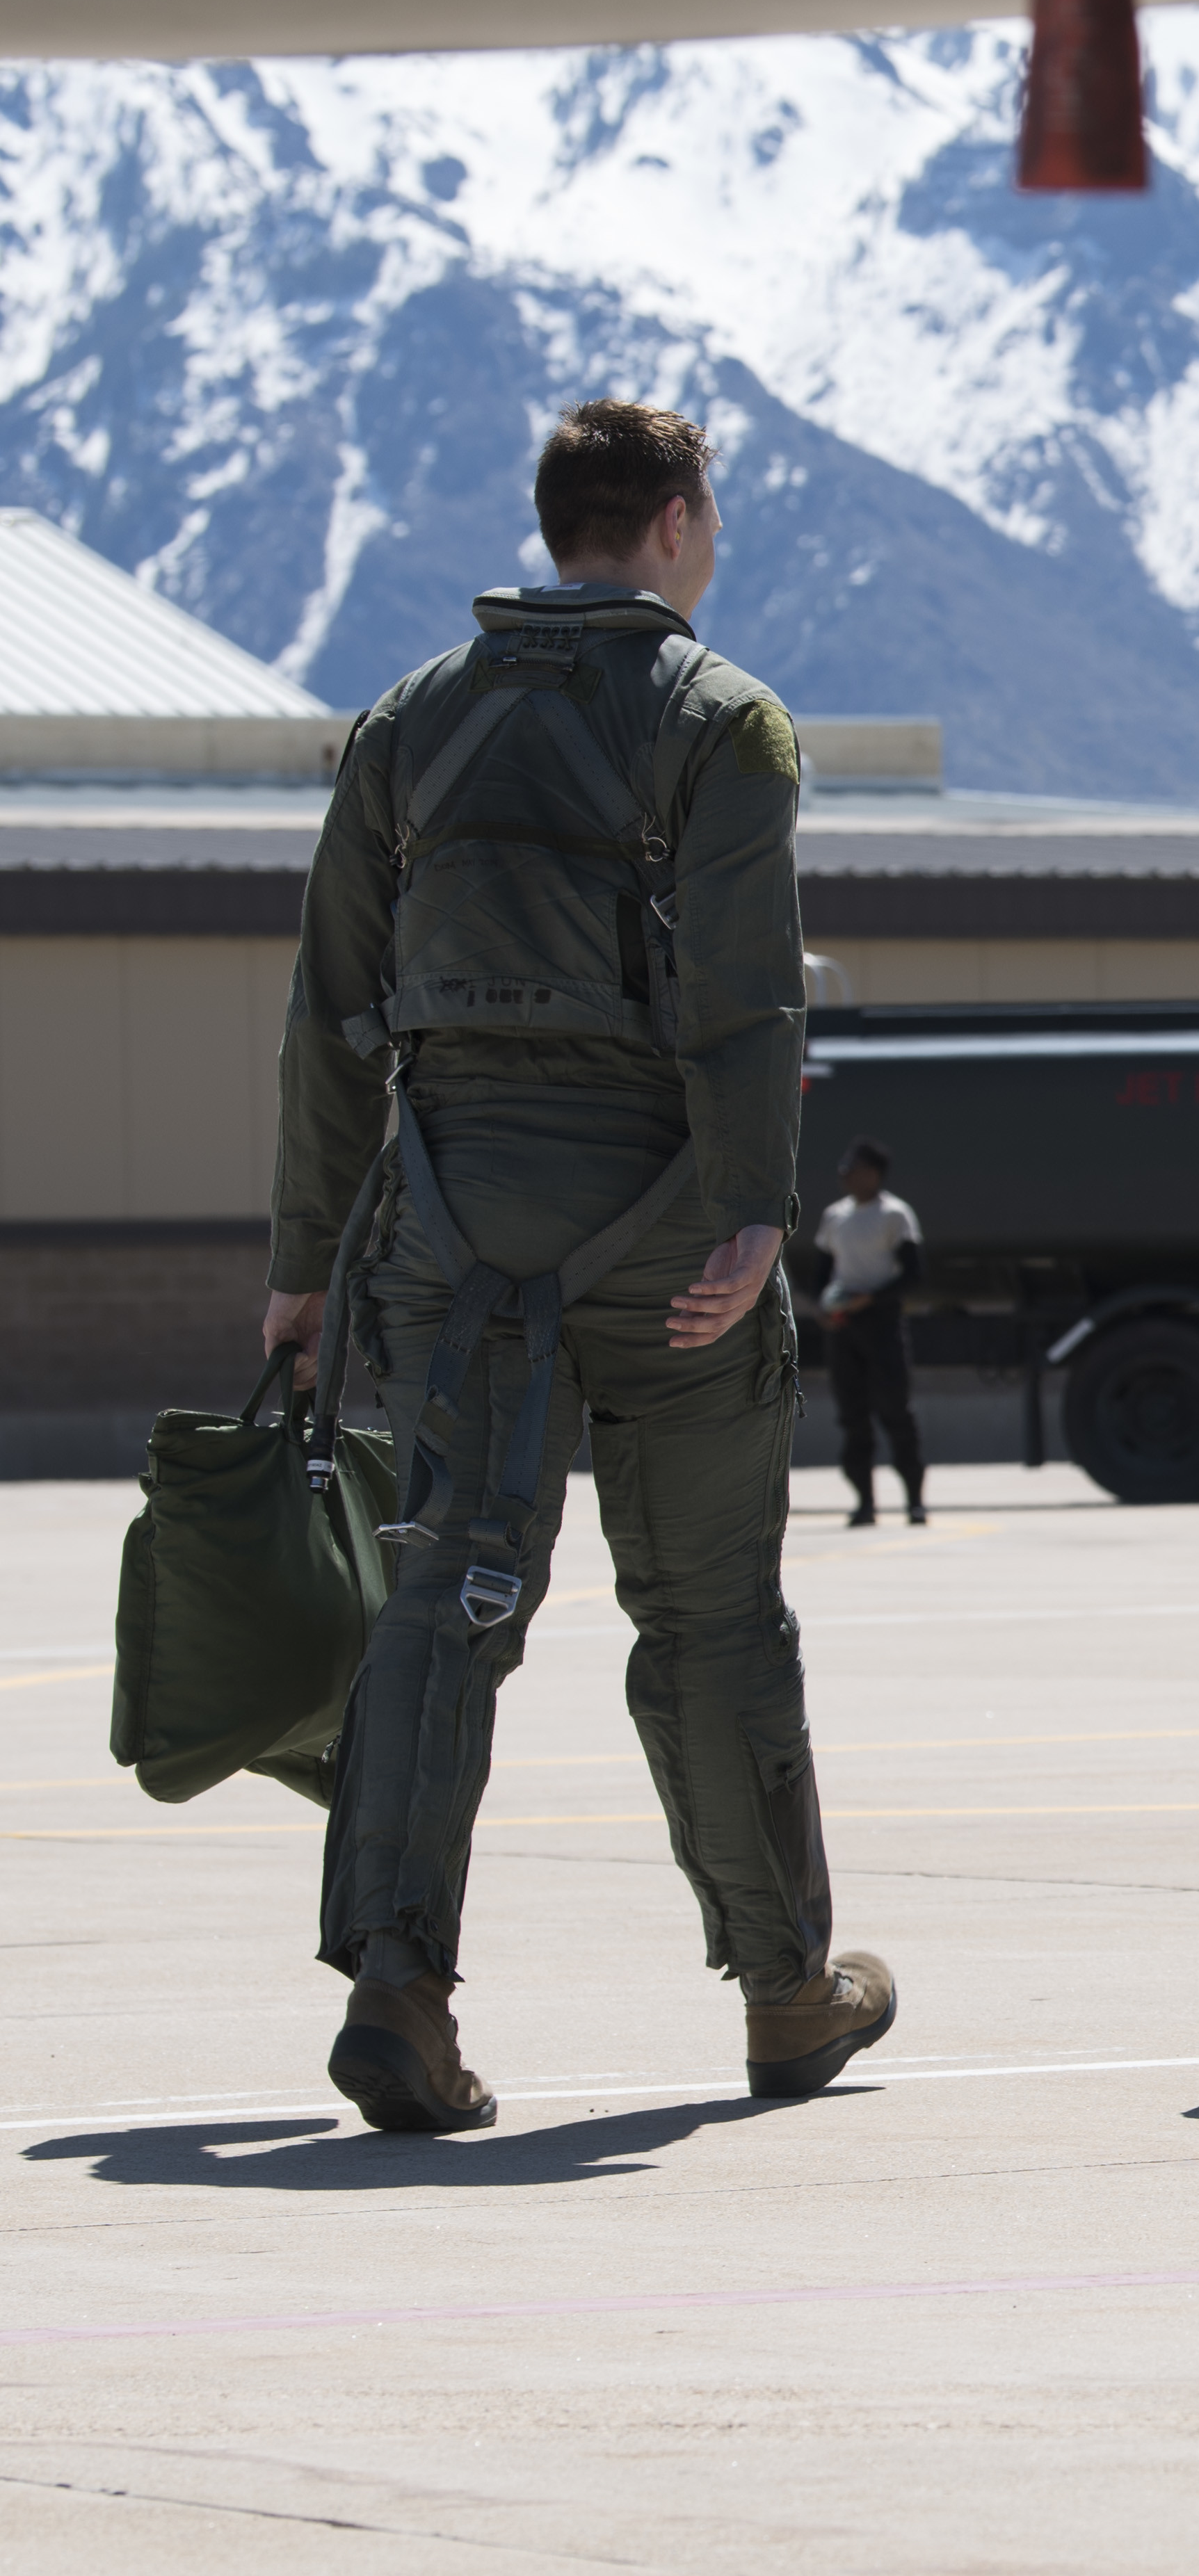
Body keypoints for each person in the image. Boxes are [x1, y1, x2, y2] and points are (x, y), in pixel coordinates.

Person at [259, 400, 894, 2133]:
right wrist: (756, 1208)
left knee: (445, 1601)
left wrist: (303, 1260)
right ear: (681, 520)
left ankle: (399, 1985)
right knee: (707, 1615)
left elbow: (328, 1008)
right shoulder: (723, 721)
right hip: (670, 1229)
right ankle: (782, 1989)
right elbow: (753, 992)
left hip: (451, 1233)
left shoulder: (406, 724)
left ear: (555, 528)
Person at [810, 1137, 928, 1528]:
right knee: (852, 1416)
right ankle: (865, 1503)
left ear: (873, 1174)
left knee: (896, 1412)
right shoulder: (835, 1216)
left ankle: (914, 1501)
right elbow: (821, 1273)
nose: (845, 1173)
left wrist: (872, 1300)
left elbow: (913, 1274)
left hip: (882, 1324)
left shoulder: (895, 1215)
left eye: (854, 1167)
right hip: (845, 1329)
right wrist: (823, 1309)